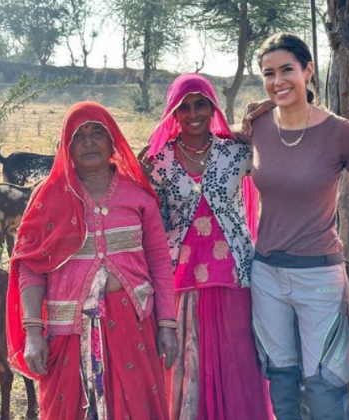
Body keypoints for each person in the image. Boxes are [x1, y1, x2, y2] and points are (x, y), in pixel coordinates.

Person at [6, 102, 179, 420]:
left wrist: (167, 324)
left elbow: (159, 263)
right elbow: (30, 266)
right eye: (78, 135)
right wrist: (33, 333)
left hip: (134, 327)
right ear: (66, 146)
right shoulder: (48, 197)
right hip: (67, 332)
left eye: (97, 132)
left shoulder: (138, 195)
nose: (88, 141)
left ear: (112, 140)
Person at [239, 33, 349, 420]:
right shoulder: (255, 127)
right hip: (266, 273)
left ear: (308, 70)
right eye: (269, 73)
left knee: (327, 380)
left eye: (287, 70)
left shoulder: (341, 133)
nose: (278, 81)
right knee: (281, 377)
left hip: (320, 276)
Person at [145, 73, 272, 420]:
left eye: (201, 104)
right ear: (172, 113)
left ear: (213, 106)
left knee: (237, 361)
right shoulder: (157, 163)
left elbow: (287, 141)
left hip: (234, 276)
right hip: (180, 280)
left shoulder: (237, 151)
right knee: (186, 364)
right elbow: (149, 223)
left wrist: (270, 108)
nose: (193, 113)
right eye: (183, 107)